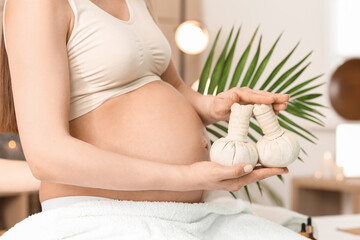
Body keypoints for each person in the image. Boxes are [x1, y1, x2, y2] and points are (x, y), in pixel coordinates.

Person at [1, 0, 288, 215]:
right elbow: (46, 155)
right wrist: (188, 176)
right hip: (101, 210)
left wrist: (212, 106)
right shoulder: (37, 3)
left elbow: (172, 85)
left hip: (184, 210)